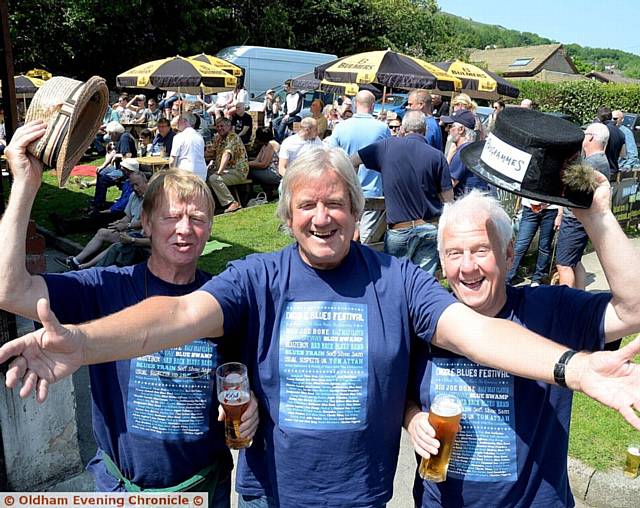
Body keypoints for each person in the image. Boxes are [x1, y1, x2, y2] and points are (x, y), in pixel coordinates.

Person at [3, 145, 640, 508]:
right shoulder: (258, 277)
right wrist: (83, 343)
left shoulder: (397, 279)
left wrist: (577, 367)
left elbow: (474, 332)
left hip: (359, 501)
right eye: (306, 204)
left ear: (358, 212)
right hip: (269, 500)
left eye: (336, 202)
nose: (322, 216)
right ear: (288, 215)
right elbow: (173, 315)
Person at [0, 122, 258, 504]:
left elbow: (243, 378)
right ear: (146, 222)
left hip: (204, 488)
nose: (185, 229)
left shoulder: (224, 298)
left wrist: (251, 406)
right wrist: (25, 184)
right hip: (123, 489)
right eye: (171, 216)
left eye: (198, 219)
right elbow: (9, 289)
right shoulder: (104, 287)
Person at [406, 184, 637, 507]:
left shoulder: (550, 309)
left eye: (481, 250)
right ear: (442, 262)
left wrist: (597, 216)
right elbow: (401, 390)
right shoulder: (424, 319)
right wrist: (413, 418)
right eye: (455, 253)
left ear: (509, 253)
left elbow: (634, 309)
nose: (468, 266)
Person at [352, 110, 453, 275]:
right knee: (423, 283)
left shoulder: (386, 146)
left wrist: (355, 191)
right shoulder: (437, 156)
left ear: (402, 129)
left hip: (399, 229)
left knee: (396, 280)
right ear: (425, 130)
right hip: (429, 227)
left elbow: (352, 161)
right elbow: (448, 200)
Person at [326, 90, 391, 243]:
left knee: (345, 231)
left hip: (346, 186)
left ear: (355, 104)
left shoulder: (341, 127)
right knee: (368, 238)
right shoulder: (382, 128)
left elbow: (330, 155)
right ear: (373, 105)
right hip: (373, 189)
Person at [556, 123, 611, 289]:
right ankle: (579, 297)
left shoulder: (591, 164)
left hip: (574, 220)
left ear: (591, 137)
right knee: (575, 261)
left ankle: (565, 302)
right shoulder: (600, 161)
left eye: (585, 134)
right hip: (582, 220)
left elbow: (571, 192)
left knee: (564, 265)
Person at [61, 171, 148, 270]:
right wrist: (119, 223)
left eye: (137, 184)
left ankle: (85, 266)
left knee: (115, 244)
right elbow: (128, 216)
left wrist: (126, 225)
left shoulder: (150, 198)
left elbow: (145, 223)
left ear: (146, 181)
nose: (135, 188)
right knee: (102, 232)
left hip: (137, 234)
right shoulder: (133, 195)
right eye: (132, 186)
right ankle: (76, 261)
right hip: (129, 230)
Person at [506, 198, 559, 287]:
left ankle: (537, 279)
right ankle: (508, 278)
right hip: (530, 207)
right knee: (520, 245)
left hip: (551, 209)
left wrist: (560, 214)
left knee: (544, 246)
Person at [441, 109, 491, 197]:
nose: (446, 129)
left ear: (461, 129)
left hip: (465, 204)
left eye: (450, 126)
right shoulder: (473, 149)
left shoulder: (463, 153)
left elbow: (448, 185)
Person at [207, 117, 249, 213]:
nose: (219, 128)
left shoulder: (232, 137)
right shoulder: (219, 139)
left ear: (229, 126)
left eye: (222, 126)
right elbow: (211, 153)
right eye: (217, 126)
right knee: (204, 175)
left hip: (237, 171)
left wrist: (219, 171)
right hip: (227, 171)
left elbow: (227, 154)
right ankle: (212, 204)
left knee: (214, 179)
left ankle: (232, 203)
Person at [170, 112, 207, 181]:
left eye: (179, 120)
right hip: (202, 173)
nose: (177, 123)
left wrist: (172, 176)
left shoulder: (178, 137)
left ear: (184, 121)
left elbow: (172, 161)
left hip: (185, 173)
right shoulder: (200, 137)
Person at [248, 126, 281, 201]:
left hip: (275, 173)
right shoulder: (265, 146)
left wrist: (246, 165)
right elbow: (256, 161)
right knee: (247, 169)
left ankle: (249, 192)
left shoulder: (272, 144)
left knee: (249, 171)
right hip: (267, 171)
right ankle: (262, 191)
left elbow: (263, 164)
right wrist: (244, 163)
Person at [596, 106, 625, 178]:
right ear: (611, 116)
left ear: (599, 118)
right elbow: (623, 154)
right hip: (614, 172)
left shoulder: (600, 129)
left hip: (600, 172)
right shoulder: (621, 133)